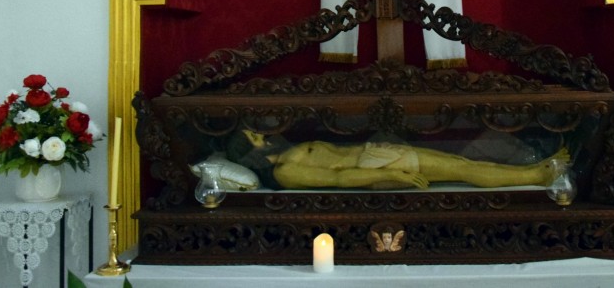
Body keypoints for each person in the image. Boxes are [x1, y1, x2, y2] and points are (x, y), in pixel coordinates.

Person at [236, 130, 569, 190]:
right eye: (254, 139)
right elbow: (339, 179)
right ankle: (537, 177)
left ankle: (531, 170)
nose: (262, 136)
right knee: (463, 170)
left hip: (377, 156)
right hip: (377, 167)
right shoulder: (285, 171)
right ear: (252, 156)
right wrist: (395, 177)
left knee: (460, 163)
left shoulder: (287, 151)